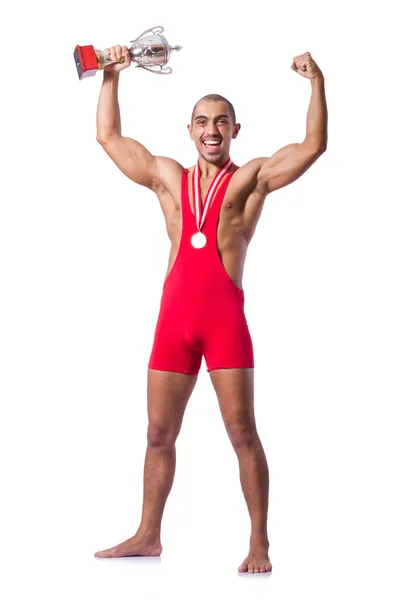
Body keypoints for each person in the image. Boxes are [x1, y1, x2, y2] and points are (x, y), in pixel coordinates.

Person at [93, 45, 328, 574]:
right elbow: (108, 137)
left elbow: (314, 144)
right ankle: (148, 535)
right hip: (173, 325)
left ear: (235, 130)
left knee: (243, 433)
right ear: (190, 130)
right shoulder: (167, 177)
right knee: (157, 434)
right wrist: (110, 77)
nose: (211, 129)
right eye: (202, 121)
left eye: (221, 121)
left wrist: (316, 83)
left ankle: (259, 543)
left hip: (224, 324)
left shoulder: (251, 180)